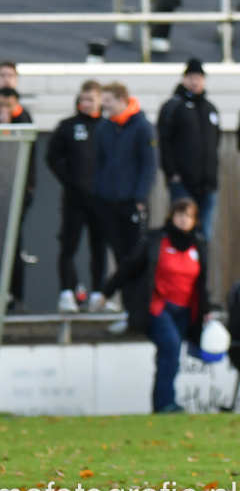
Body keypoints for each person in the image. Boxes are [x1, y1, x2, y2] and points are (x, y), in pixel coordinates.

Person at [102, 198, 214, 413]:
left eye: (188, 216)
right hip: (158, 307)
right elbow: (130, 266)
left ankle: (162, 402)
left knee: (171, 354)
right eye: (180, 215)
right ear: (171, 216)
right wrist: (107, 291)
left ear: (195, 220)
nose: (183, 220)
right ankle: (165, 402)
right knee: (171, 345)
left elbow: (202, 282)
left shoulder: (198, 244)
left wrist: (206, 309)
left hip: (185, 310)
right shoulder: (157, 240)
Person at [91, 82, 157, 312]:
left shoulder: (142, 127)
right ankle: (128, 310)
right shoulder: (104, 127)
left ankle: (138, 310)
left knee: (135, 259)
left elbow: (149, 165)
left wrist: (140, 197)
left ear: (121, 100)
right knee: (119, 257)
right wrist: (98, 194)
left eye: (107, 101)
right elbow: (98, 163)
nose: (104, 106)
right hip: (108, 203)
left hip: (132, 204)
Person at [47, 81, 104, 313]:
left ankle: (98, 295)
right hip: (74, 199)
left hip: (100, 199)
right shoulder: (68, 126)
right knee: (68, 246)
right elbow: (52, 157)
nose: (86, 104)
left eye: (91, 99)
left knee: (99, 248)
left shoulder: (107, 127)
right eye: (83, 99)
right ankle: (66, 293)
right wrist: (69, 181)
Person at [158, 58, 220, 241]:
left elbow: (215, 142)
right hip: (183, 183)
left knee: (204, 234)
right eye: (191, 78)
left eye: (199, 78)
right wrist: (172, 175)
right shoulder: (173, 107)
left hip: (208, 184)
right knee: (182, 231)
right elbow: (163, 142)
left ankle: (201, 261)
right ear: (184, 79)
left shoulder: (210, 109)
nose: (195, 82)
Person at [0, 86, 36, 310]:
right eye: (1, 104)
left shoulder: (23, 121)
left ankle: (16, 295)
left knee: (14, 244)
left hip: (16, 193)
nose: (4, 109)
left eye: (9, 105)